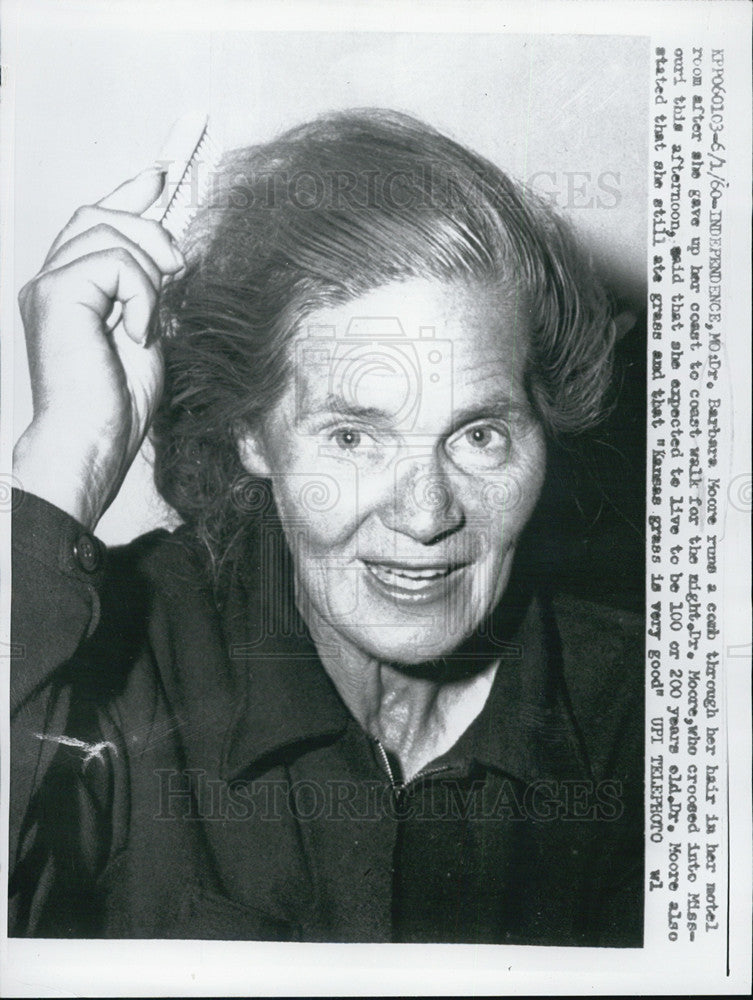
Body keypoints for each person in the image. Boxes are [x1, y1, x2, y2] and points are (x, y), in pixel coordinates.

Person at [10, 109, 643, 944]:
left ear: (543, 433)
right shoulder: (115, 667)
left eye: (479, 435)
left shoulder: (642, 710)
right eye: (352, 437)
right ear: (250, 431)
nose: (424, 516)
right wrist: (67, 458)